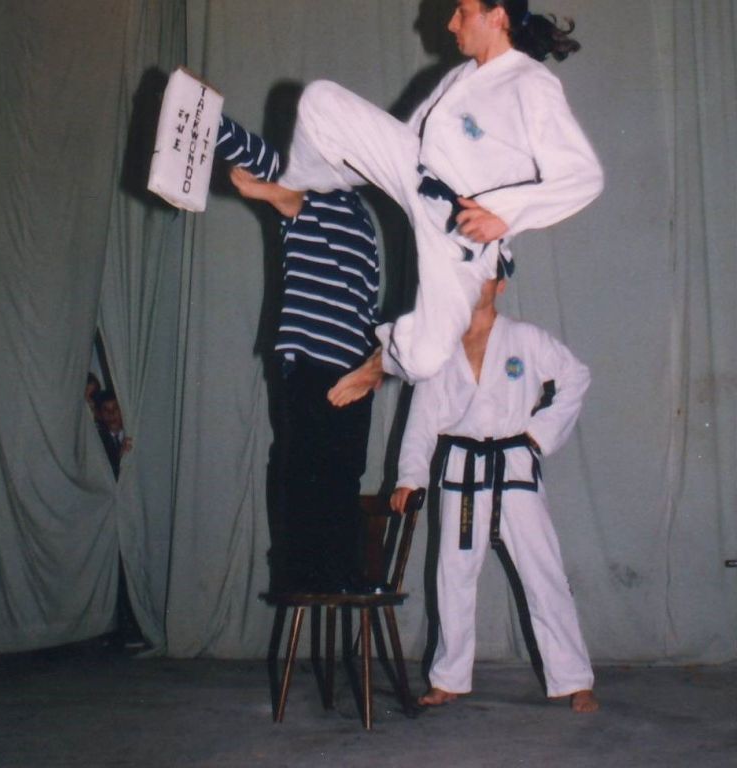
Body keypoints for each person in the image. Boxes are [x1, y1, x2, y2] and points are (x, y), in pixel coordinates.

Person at [242, 0, 603, 404]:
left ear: (496, 15)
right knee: (320, 99)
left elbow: (583, 176)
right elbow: (396, 143)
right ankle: (294, 186)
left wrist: (504, 215)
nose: (451, 24)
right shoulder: (460, 77)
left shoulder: (531, 83)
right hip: (416, 170)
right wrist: (329, 176)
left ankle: (382, 361)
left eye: (462, 12)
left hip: (460, 232)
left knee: (425, 358)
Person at [390, 262, 598, 713]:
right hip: (461, 469)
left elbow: (576, 376)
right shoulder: (441, 346)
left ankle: (574, 679)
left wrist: (540, 434)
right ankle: (448, 677)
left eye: (485, 276)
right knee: (453, 575)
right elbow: (422, 418)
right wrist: (410, 477)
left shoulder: (525, 338)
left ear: (500, 285)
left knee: (542, 573)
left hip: (514, 464)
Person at [216, 112, 381, 592]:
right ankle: (302, 572)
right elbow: (258, 159)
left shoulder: (358, 213)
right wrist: (204, 116)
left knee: (342, 472)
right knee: (304, 465)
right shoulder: (306, 184)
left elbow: (365, 298)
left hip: (354, 364)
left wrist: (371, 364)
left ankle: (338, 571)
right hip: (310, 358)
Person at [94, 389, 132, 480]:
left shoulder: (133, 434)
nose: (111, 414)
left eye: (116, 408)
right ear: (100, 414)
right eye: (106, 410)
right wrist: (120, 458)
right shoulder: (98, 441)